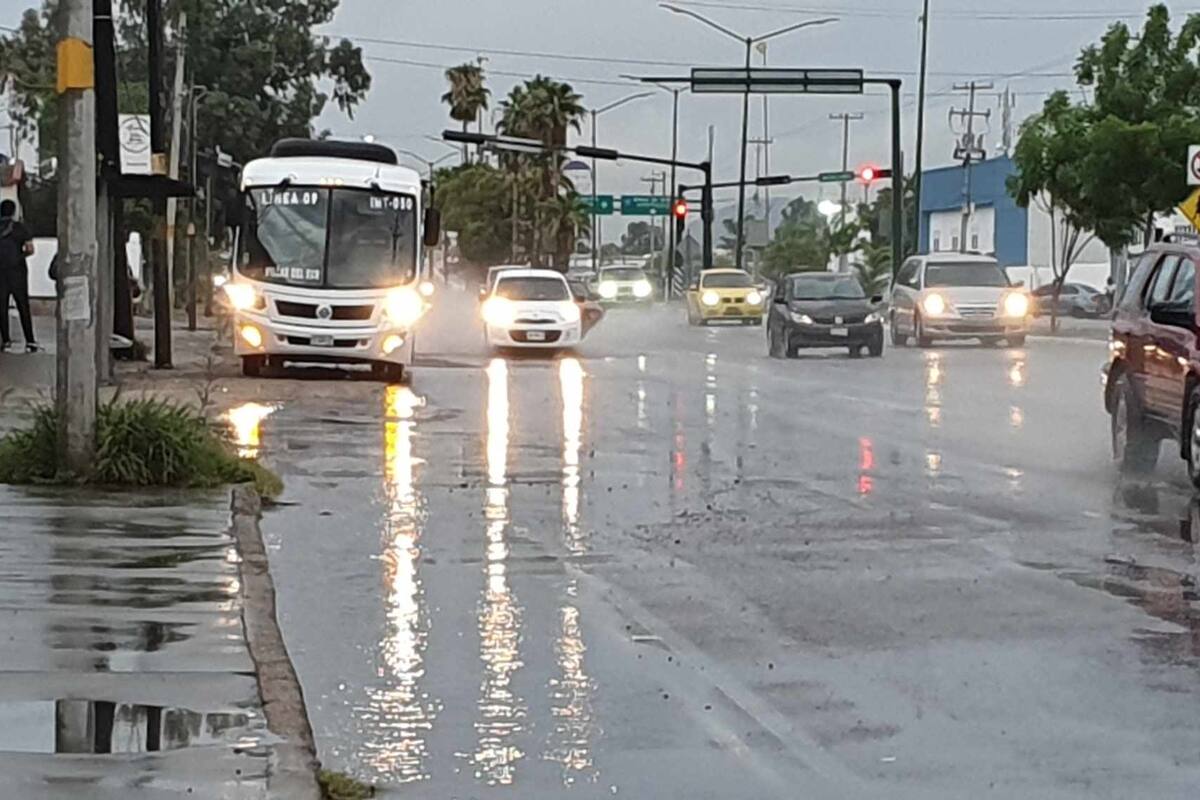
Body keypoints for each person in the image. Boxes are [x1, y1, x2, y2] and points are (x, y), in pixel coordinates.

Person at [0, 199, 38, 353]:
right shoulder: (20, 228)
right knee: (23, 306)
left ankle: (6, 341)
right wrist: (19, 257)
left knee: (2, 307)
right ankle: (30, 341)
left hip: (1, 272)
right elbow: (30, 249)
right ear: (14, 211)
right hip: (18, 272)